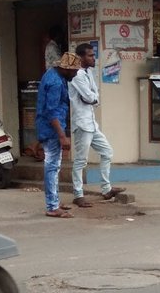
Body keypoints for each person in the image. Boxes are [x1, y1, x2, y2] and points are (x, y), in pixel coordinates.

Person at [69, 43, 126, 208]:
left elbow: (96, 96)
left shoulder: (88, 72)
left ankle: (106, 189)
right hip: (82, 122)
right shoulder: (77, 75)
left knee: (107, 152)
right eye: (90, 55)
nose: (93, 58)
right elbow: (89, 97)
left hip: (91, 122)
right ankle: (78, 195)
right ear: (81, 57)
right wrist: (93, 98)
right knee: (81, 160)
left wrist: (94, 97)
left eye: (93, 55)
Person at [36, 52, 82, 218]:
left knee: (54, 166)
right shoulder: (55, 82)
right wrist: (62, 136)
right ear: (66, 70)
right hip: (52, 130)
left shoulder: (52, 74)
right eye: (74, 71)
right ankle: (52, 206)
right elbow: (51, 112)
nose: (76, 73)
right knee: (52, 166)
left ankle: (54, 200)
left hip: (50, 127)